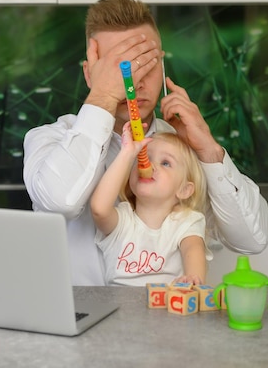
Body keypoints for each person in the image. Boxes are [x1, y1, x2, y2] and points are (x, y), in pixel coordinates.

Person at [23, 0, 268, 285]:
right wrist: (103, 97)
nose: (136, 82)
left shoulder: (183, 150)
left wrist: (209, 151)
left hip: (167, 324)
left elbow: (253, 240)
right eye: (121, 69)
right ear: (91, 74)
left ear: (163, 67)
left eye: (148, 66)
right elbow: (61, 202)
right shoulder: (48, 139)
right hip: (76, 324)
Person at [90, 123, 210, 286]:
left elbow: (193, 249)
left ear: (184, 190)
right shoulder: (123, 221)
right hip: (120, 306)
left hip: (167, 306)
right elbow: (99, 209)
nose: (147, 165)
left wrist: (194, 279)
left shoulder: (186, 222)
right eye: (142, 157)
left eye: (166, 163)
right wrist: (127, 153)